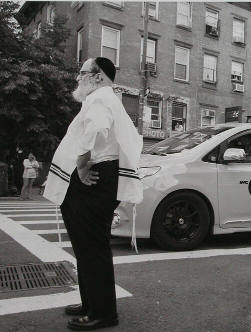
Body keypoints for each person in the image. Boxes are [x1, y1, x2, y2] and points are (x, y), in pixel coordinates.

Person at [43, 57, 143, 331]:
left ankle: (103, 312)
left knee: (91, 247)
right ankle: (91, 303)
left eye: (82, 73)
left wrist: (82, 163)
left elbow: (96, 129)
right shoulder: (103, 98)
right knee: (86, 246)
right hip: (98, 178)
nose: (78, 77)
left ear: (97, 76)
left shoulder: (99, 99)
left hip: (94, 179)